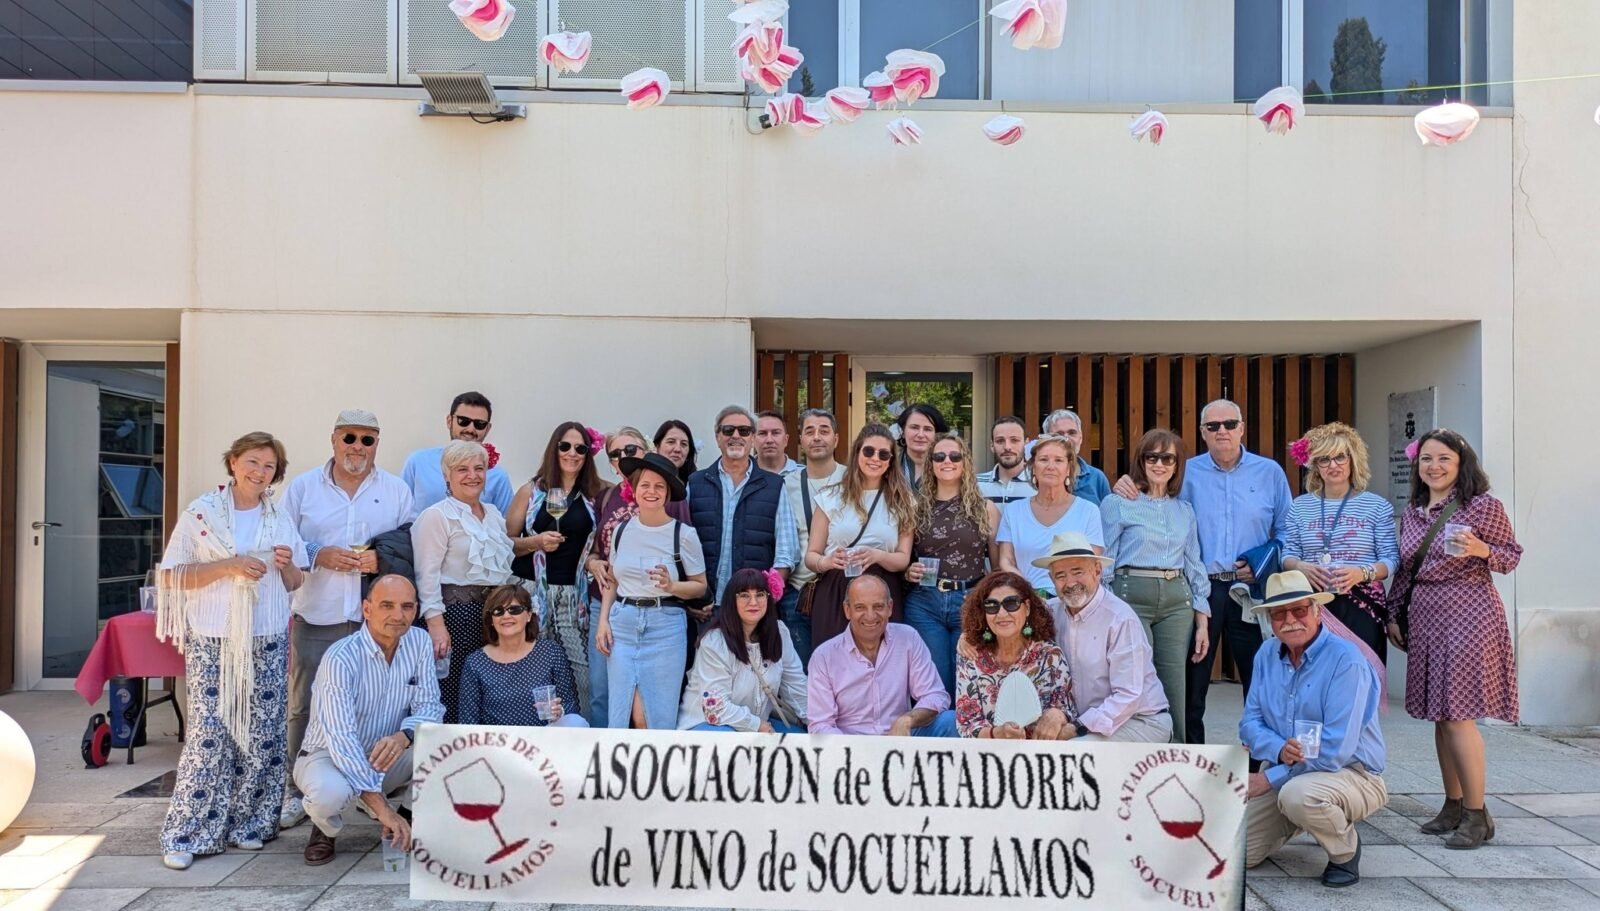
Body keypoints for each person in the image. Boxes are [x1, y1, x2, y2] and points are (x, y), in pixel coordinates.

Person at [156, 432, 308, 871]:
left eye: (269, 467)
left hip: (266, 635)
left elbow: (296, 582)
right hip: (214, 635)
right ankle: (189, 831)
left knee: (263, 733)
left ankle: (250, 824)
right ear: (233, 462)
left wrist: (287, 565)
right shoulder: (202, 513)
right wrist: (228, 566)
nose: (259, 473)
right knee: (209, 734)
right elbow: (172, 575)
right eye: (253, 462)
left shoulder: (278, 519)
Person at [1115, 398, 1292, 746]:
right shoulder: (1185, 470)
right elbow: (1155, 498)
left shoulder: (1270, 472)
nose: (1222, 431)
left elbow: (1286, 531)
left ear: (1242, 427)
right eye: (1213, 426)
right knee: (1191, 685)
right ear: (1203, 432)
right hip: (1197, 592)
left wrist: (1262, 561)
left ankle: (1259, 766)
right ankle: (1190, 758)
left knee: (1258, 680)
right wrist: (1127, 485)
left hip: (1250, 591)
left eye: (1229, 424)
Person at [278, 410, 415, 831]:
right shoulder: (302, 488)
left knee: (375, 708)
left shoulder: (395, 490)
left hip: (373, 624)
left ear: (378, 443)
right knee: (304, 706)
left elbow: (410, 542)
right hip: (317, 615)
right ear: (334, 440)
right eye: (350, 438)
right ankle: (297, 792)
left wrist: (382, 558)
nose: (358, 447)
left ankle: (364, 788)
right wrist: (317, 552)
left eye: (367, 440)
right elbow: (281, 540)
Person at [1387, 429, 1522, 849]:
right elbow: (1407, 569)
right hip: (1426, 613)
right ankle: (1454, 803)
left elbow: (1511, 556)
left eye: (1443, 459)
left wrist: (1482, 549)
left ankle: (1478, 815)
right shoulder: (1413, 511)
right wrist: (1394, 613)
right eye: (1426, 459)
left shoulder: (1483, 506)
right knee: (1441, 716)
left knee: (1459, 714)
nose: (1434, 467)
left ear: (1462, 463)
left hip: (1469, 612)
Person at [1241, 571, 1387, 888]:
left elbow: (1335, 751)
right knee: (1238, 853)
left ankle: (1344, 851)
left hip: (1352, 773)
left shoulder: (1346, 660)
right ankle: (1304, 817)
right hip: (1290, 769)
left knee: (1298, 796)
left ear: (1317, 611)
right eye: (1279, 613)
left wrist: (1269, 777)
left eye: (1299, 610)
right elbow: (1249, 724)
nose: (1290, 620)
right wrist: (1278, 748)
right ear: (1269, 619)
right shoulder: (1266, 653)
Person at [294, 575, 443, 867]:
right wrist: (381, 808)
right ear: (366, 609)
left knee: (443, 748)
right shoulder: (340, 658)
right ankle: (326, 827)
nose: (398, 616)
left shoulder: (420, 641)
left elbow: (430, 707)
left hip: (384, 752)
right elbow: (341, 738)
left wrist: (404, 736)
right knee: (329, 794)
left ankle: (407, 820)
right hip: (328, 756)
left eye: (407, 606)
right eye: (386, 605)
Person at [1100, 429, 1209, 743]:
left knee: (1174, 680)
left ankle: (1174, 752)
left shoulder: (1184, 510)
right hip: (1131, 593)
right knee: (1137, 677)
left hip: (1177, 599)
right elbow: (1106, 558)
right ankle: (1137, 751)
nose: (1159, 464)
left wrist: (1202, 620)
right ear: (1141, 460)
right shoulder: (1118, 503)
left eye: (1168, 458)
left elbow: (1194, 563)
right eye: (1152, 457)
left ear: (1177, 465)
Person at [584, 428, 691, 726]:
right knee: (603, 690)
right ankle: (606, 759)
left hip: (657, 608)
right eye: (615, 454)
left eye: (629, 450)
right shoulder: (606, 497)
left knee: (647, 705)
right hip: (607, 601)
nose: (622, 457)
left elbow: (684, 547)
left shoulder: (668, 496)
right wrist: (593, 564)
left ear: (644, 450)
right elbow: (595, 551)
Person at [505, 422, 606, 715]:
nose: (572, 453)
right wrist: (535, 542)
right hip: (531, 591)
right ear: (554, 448)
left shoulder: (596, 495)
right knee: (528, 664)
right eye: (565, 446)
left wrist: (593, 560)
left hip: (573, 596)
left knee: (580, 672)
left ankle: (579, 729)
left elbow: (598, 546)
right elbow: (506, 543)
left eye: (580, 448)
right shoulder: (532, 490)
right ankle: (531, 732)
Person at [410, 440, 515, 722]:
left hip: (492, 616)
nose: (472, 475)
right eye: (462, 469)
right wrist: (436, 626)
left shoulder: (493, 514)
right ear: (447, 475)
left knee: (488, 694)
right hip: (454, 616)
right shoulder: (436, 516)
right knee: (454, 693)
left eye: (479, 468)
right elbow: (426, 574)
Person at [1280, 422, 1399, 664]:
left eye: (1340, 457)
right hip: (1311, 602)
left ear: (1353, 459)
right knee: (1314, 672)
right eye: (1324, 459)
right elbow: (1287, 554)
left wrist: (1361, 573)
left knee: (1361, 673)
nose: (1333, 465)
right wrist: (1301, 567)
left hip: (1363, 604)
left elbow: (1391, 559)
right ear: (1314, 466)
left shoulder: (1377, 506)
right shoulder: (1300, 506)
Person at [1039, 533, 1173, 742]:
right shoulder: (1050, 612)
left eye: (1078, 572)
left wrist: (1077, 727)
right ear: (1051, 580)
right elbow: (1008, 621)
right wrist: (970, 639)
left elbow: (1128, 696)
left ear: (1097, 571)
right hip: (1083, 722)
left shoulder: (1120, 618)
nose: (1070, 582)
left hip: (1139, 720)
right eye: (1061, 575)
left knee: (1072, 754)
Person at [802, 424, 917, 647]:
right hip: (836, 588)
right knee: (835, 662)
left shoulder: (904, 501)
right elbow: (811, 556)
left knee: (884, 663)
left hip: (883, 589)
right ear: (857, 453)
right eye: (869, 451)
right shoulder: (830, 497)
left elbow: (903, 559)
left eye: (884, 454)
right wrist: (828, 561)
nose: (876, 458)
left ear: (891, 460)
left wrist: (877, 555)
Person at [687, 405, 797, 633]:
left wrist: (763, 597)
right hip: (704, 609)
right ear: (718, 437)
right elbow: (681, 546)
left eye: (744, 431)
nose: (736, 436)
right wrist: (692, 597)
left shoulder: (775, 486)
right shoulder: (695, 483)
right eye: (728, 430)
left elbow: (786, 553)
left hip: (753, 611)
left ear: (753, 438)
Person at [904, 432, 999, 695]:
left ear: (965, 462)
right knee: (934, 683)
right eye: (940, 456)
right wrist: (907, 570)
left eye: (955, 456)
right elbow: (903, 557)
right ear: (930, 463)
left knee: (969, 680)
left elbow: (998, 568)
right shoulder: (915, 508)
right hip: (925, 602)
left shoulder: (985, 508)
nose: (947, 461)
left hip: (970, 600)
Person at [807, 575, 957, 737]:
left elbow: (935, 695)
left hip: (901, 737)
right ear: (847, 610)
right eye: (860, 608)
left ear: (890, 607)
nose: (870, 616)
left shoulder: (907, 637)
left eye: (878, 606)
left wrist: (907, 720)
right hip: (850, 747)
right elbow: (820, 725)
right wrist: (854, 750)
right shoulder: (824, 656)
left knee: (951, 721)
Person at [679, 568, 808, 732]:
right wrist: (756, 725)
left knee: (799, 740)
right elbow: (715, 707)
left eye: (760, 594)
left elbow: (796, 686)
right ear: (731, 601)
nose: (753, 602)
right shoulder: (715, 641)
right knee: (731, 745)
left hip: (757, 724)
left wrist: (818, 724)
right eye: (744, 595)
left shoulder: (779, 633)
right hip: (708, 724)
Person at [953, 571, 1073, 739]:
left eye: (1011, 603)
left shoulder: (1050, 655)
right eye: (991, 605)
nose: (1001, 614)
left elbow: (1066, 710)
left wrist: (1057, 715)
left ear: (1028, 607)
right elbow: (967, 723)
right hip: (987, 753)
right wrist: (997, 734)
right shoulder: (970, 654)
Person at [457, 584, 588, 728]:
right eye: (498, 611)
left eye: (514, 609)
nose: (506, 616)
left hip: (545, 737)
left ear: (529, 614)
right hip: (498, 742)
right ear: (491, 620)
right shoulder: (475, 662)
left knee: (576, 723)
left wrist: (559, 712)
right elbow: (468, 720)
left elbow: (569, 704)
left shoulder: (550, 651)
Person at [997, 434, 1104, 596]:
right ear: (1033, 467)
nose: (1050, 466)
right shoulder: (1013, 511)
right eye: (1044, 459)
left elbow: (1092, 563)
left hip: (1075, 599)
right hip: (1026, 598)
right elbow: (1006, 561)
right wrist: (1032, 594)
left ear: (1069, 469)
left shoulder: (1089, 511)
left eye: (1058, 460)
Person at [779, 408, 845, 667]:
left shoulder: (853, 479)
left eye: (824, 431)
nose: (817, 437)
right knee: (803, 674)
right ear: (800, 441)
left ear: (836, 439)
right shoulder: (785, 485)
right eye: (809, 431)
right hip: (799, 594)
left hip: (842, 591)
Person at [401, 391, 514, 513]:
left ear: (487, 429)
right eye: (463, 421)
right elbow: (400, 510)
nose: (470, 429)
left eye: (479, 424)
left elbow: (505, 528)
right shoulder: (418, 462)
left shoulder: (498, 477)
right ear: (449, 421)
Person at [1040, 409, 1111, 504]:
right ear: (1046, 440)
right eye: (1059, 434)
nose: (1067, 439)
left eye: (1072, 433)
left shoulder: (1097, 478)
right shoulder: (1038, 477)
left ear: (1080, 438)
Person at [976, 416, 1032, 505]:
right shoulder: (975, 484)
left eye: (1014, 440)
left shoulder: (1040, 484)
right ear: (992, 445)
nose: (1007, 447)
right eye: (1000, 441)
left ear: (1026, 443)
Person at [895, 403, 948, 487]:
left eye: (928, 429)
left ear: (937, 434)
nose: (920, 435)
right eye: (914, 427)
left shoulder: (949, 466)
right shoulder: (888, 466)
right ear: (902, 432)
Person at [755, 409, 802, 476]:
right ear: (752, 440)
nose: (769, 440)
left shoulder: (805, 475)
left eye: (775, 433)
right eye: (762, 433)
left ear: (786, 440)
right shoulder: (741, 476)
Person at [653, 418, 698, 485]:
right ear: (657, 446)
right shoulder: (642, 478)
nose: (677, 449)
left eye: (683, 444)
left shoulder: (696, 484)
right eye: (671, 442)